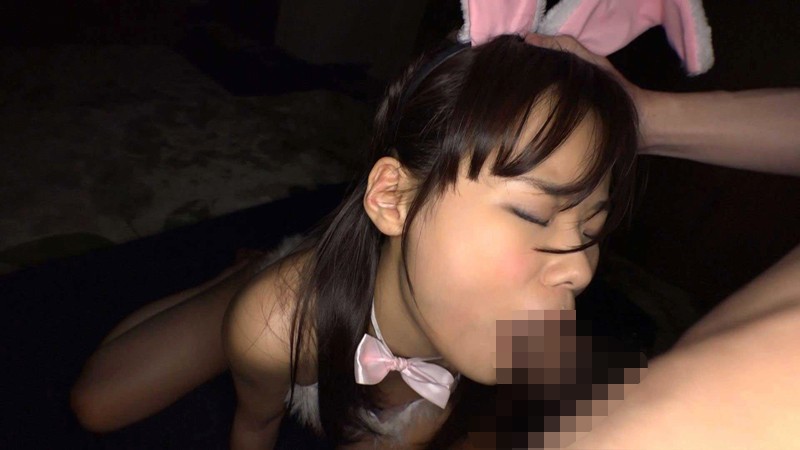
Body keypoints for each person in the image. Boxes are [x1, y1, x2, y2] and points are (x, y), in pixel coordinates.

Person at [71, 33, 640, 449]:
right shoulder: (274, 326)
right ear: (394, 198)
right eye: (534, 213)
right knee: (97, 405)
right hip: (298, 310)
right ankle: (244, 275)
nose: (581, 269)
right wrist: (258, 305)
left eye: (590, 230)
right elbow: (255, 424)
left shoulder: (518, 326)